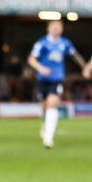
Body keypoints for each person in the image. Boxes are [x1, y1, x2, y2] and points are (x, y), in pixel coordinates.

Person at [27, 19, 85, 148]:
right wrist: (41, 68)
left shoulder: (65, 43)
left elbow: (75, 55)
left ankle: (48, 138)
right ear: (48, 29)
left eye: (59, 27)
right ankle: (45, 123)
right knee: (44, 106)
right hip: (42, 79)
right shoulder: (42, 43)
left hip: (57, 79)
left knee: (52, 104)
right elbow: (31, 59)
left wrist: (85, 67)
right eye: (54, 27)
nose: (56, 29)